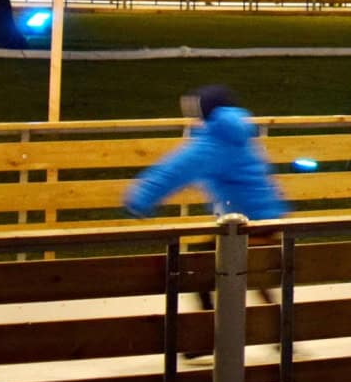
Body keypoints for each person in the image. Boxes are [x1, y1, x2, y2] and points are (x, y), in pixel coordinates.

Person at [123, 86, 288, 320]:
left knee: (197, 270)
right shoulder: (238, 133)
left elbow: (174, 171)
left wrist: (140, 199)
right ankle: (283, 335)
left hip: (243, 225)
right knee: (253, 278)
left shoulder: (214, 142)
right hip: (265, 218)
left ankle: (207, 333)